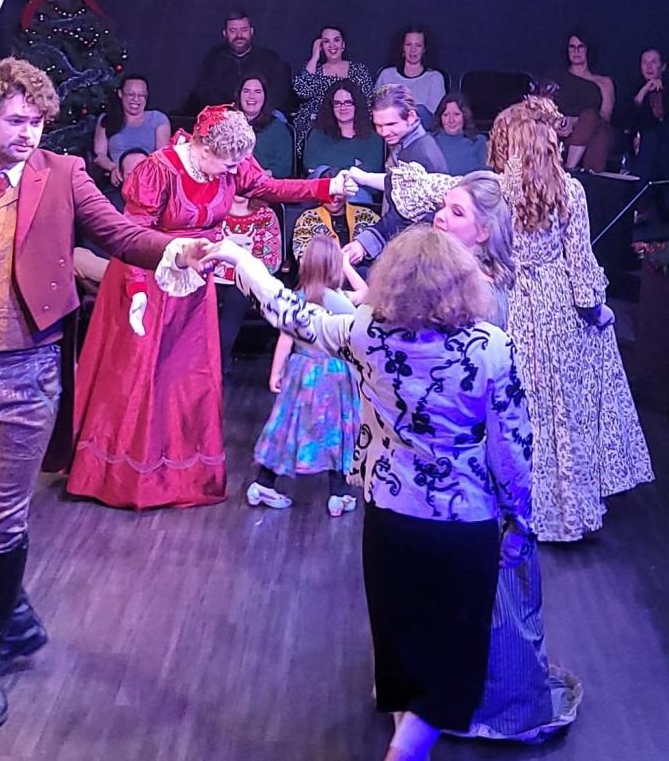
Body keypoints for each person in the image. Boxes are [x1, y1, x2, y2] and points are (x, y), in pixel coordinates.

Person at [0, 57, 211, 730]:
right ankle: (15, 620)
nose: (30, 133)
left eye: (39, 122)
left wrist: (178, 248)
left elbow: (119, 233)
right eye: (18, 120)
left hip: (26, 372)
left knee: (2, 518)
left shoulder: (63, 175)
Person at [203, 226, 534, 761]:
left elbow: (288, 310)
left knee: (399, 638)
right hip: (464, 524)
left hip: (390, 516)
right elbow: (513, 447)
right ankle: (406, 750)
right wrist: (521, 522)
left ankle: (409, 743)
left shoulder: (365, 333)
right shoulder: (492, 348)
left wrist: (241, 256)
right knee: (452, 645)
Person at [368, 96, 653, 541]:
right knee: (559, 415)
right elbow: (581, 266)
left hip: (503, 302)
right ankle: (562, 512)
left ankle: (510, 507)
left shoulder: (495, 190)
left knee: (509, 411)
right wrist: (598, 308)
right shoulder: (569, 190)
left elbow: (423, 190)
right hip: (558, 313)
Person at [68, 106, 356, 510]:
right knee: (142, 376)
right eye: (226, 165)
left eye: (238, 165)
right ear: (201, 147)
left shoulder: (233, 162)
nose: (233, 173)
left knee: (187, 375)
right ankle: (129, 478)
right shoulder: (159, 169)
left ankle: (183, 473)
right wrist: (136, 294)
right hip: (148, 281)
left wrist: (326, 188)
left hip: (194, 283)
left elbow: (271, 188)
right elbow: (131, 237)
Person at [432, 170, 583, 742]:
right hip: (462, 462)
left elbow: (488, 405)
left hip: (481, 465)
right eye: (443, 208)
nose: (442, 218)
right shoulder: (461, 276)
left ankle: (488, 703)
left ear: (485, 231)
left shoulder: (485, 295)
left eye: (457, 212)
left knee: (492, 590)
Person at [245, 236, 367, 516]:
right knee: (339, 431)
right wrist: (347, 265)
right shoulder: (339, 300)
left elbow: (286, 337)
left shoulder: (297, 299)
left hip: (301, 371)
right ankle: (339, 492)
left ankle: (264, 483)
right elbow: (366, 294)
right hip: (333, 374)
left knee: (287, 425)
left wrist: (276, 372)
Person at [342, 84, 448, 265]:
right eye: (378, 125)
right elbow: (399, 183)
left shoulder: (420, 155)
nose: (384, 132)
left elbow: (402, 216)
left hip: (418, 256)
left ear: (411, 117)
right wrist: (364, 178)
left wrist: (363, 244)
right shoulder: (409, 145)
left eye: (391, 124)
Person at [212, 191, 282, 376]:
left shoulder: (265, 216)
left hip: (247, 279)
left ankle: (217, 366)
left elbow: (271, 259)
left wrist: (242, 272)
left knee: (234, 304)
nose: (240, 190)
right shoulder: (213, 212)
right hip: (211, 276)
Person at [74, 147, 150, 293]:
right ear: (120, 176)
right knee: (78, 257)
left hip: (156, 270)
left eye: (144, 172)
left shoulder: (170, 201)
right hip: (116, 270)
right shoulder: (106, 204)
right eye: (131, 174)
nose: (139, 179)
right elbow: (95, 246)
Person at [192, 9, 293, 113]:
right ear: (224, 33)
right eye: (233, 30)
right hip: (224, 117)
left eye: (244, 30)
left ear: (251, 31)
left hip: (263, 116)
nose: (239, 35)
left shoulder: (270, 59)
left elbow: (280, 94)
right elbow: (204, 95)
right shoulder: (213, 60)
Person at [293, 25, 374, 153]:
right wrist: (314, 57)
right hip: (318, 129)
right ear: (321, 47)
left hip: (352, 128)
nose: (332, 45)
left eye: (336, 40)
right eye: (326, 41)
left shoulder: (358, 70)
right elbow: (302, 91)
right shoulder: (315, 69)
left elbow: (368, 102)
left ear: (343, 45)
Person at [543, 31, 615, 171]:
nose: (576, 51)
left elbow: (605, 117)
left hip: (591, 126)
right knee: (599, 136)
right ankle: (582, 179)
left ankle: (570, 170)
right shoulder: (555, 77)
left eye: (580, 47)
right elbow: (543, 108)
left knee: (594, 122)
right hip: (560, 129)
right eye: (572, 47)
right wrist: (559, 122)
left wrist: (576, 121)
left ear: (588, 50)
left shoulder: (603, 82)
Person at [303, 80, 384, 193]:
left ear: (357, 105)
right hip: (325, 190)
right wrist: (352, 166)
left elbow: (372, 171)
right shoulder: (318, 134)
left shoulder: (373, 138)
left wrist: (333, 169)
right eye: (337, 103)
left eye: (348, 102)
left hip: (358, 191)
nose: (343, 107)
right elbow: (312, 168)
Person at [92, 74, 170, 186]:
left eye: (141, 95)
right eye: (131, 94)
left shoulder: (158, 119)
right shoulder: (107, 119)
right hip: (119, 181)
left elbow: (162, 156)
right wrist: (113, 167)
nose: (136, 99)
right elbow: (99, 155)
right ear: (120, 94)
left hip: (148, 182)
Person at [374, 25, 447, 121]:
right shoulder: (386, 75)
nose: (413, 50)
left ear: (424, 49)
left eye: (418, 45)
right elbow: (376, 108)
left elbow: (435, 118)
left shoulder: (435, 78)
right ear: (402, 48)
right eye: (408, 45)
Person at [291, 188, 380, 262]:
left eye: (338, 193)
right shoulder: (307, 218)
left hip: (365, 275)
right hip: (324, 276)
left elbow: (384, 246)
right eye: (328, 193)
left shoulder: (366, 215)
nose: (333, 199)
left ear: (345, 193)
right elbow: (303, 258)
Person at [235, 74, 294, 177]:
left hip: (266, 184)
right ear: (239, 95)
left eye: (257, 92)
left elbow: (283, 167)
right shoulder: (227, 125)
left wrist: (260, 176)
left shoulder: (278, 129)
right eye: (246, 91)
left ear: (265, 96)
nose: (251, 96)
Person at [626, 47, 669, 183]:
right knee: (650, 138)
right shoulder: (633, 89)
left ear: (663, 66)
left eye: (653, 62)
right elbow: (627, 123)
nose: (649, 67)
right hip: (644, 144)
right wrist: (643, 93)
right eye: (644, 62)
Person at [431, 93, 488, 176]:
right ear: (440, 118)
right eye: (446, 115)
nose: (451, 120)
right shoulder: (430, 141)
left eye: (456, 114)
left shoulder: (479, 141)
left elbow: (486, 176)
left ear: (465, 116)